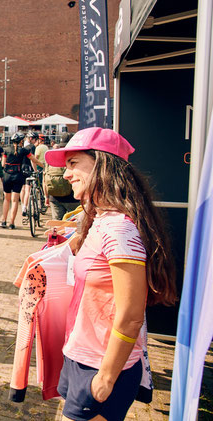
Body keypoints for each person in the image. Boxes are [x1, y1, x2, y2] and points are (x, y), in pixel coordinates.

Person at [44, 127, 177, 421]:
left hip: (101, 364)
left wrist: (106, 377)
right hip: (82, 355)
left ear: (102, 164)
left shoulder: (119, 228)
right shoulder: (102, 220)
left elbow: (131, 314)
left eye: (73, 163)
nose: (66, 175)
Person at [0, 132, 42, 229]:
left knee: (6, 199)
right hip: (17, 176)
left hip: (7, 176)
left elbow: (3, 164)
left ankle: (3, 221)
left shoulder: (6, 150)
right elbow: (34, 160)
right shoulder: (24, 150)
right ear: (21, 141)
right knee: (15, 201)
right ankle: (12, 222)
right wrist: (43, 166)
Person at [44, 138, 80, 220]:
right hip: (72, 198)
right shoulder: (76, 158)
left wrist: (46, 197)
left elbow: (44, 180)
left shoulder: (51, 159)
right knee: (75, 224)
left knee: (57, 225)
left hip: (54, 196)